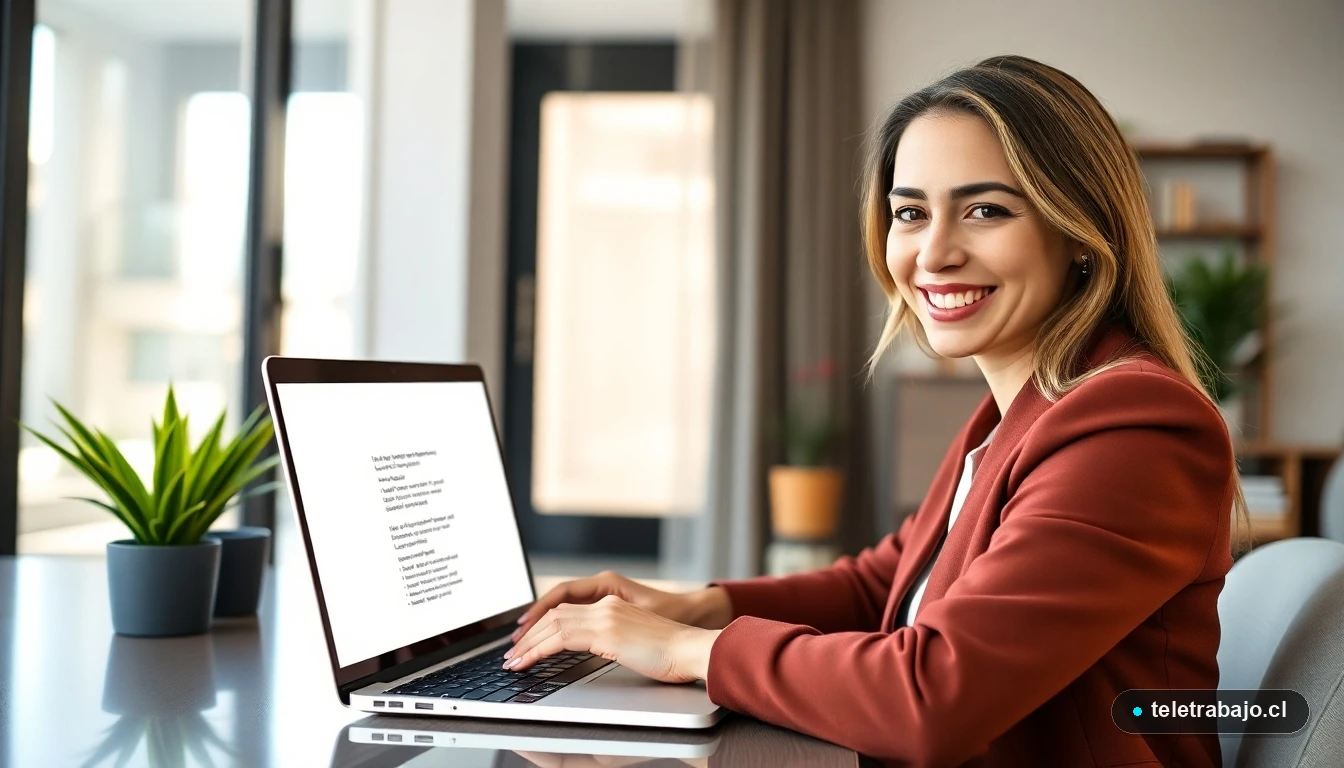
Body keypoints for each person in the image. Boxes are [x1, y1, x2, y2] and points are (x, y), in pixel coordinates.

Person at [504, 55, 1240, 767]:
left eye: (985, 210)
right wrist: (695, 606)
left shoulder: (1134, 426)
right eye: (911, 212)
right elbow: (883, 587)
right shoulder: (1013, 414)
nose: (934, 252)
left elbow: (934, 698)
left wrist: (684, 651)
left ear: (1079, 230)